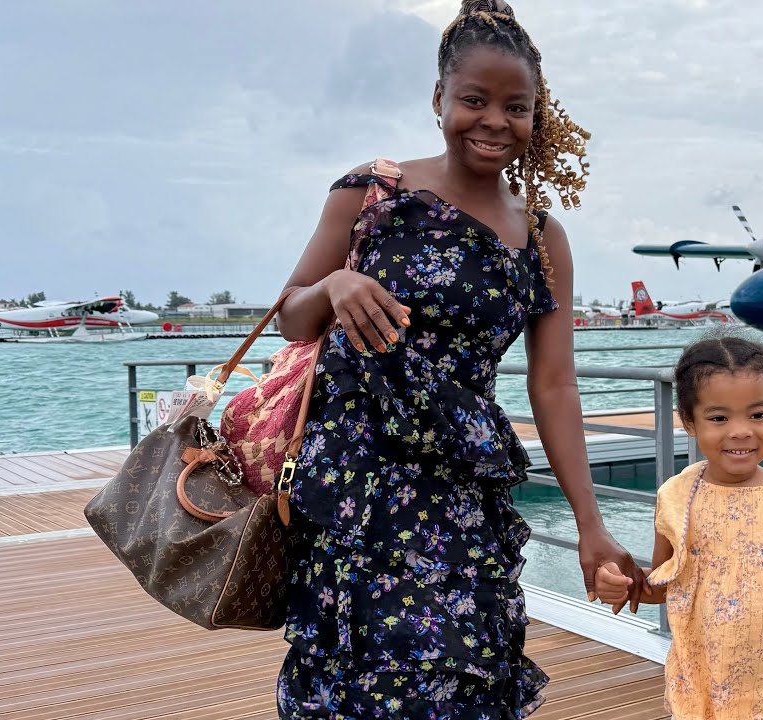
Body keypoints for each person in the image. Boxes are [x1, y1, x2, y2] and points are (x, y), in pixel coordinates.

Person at [272, 2, 645, 717]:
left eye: (517, 106)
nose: (494, 121)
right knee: (355, 678)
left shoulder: (540, 237)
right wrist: (334, 283)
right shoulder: (371, 193)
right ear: (439, 99)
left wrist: (591, 524)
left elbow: (555, 384)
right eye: (474, 100)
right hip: (356, 486)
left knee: (460, 674)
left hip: (459, 490)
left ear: (539, 115)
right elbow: (290, 314)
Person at [594, 335, 763, 720]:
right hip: (698, 693)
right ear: (690, 421)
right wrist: (622, 584)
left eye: (757, 415)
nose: (740, 431)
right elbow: (664, 586)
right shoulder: (676, 497)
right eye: (718, 418)